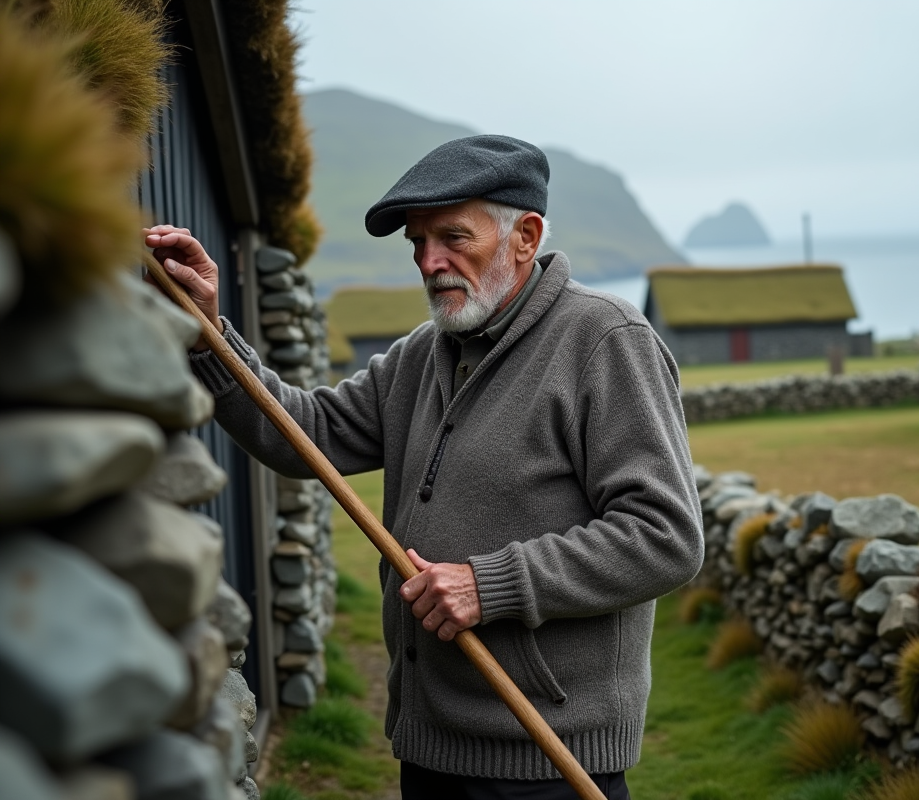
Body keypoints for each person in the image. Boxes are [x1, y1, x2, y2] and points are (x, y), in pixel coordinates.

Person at [148, 135, 704, 800]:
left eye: (452, 237)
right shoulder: (424, 353)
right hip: (430, 749)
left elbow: (665, 535)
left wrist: (489, 584)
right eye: (417, 243)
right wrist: (211, 332)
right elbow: (308, 434)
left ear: (525, 236)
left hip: (548, 761)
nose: (430, 262)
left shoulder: (604, 340)